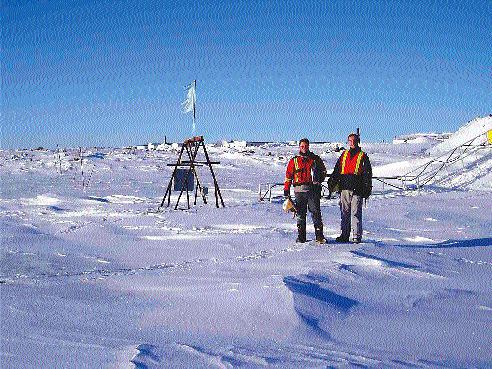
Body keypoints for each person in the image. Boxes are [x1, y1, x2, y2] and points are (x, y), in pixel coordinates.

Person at [328, 133, 372, 243]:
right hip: (344, 188)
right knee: (344, 213)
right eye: (350, 141)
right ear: (348, 142)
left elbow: (367, 174)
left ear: (358, 141)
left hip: (357, 189)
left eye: (354, 140)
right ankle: (344, 235)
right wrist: (332, 181)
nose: (352, 142)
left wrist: (367, 189)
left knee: (355, 213)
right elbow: (337, 170)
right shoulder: (344, 155)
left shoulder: (363, 156)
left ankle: (356, 236)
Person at [284, 138, 327, 243]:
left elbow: (324, 172)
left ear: (309, 146)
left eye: (306, 146)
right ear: (299, 147)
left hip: (312, 191)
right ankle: (301, 237)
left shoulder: (315, 159)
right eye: (302, 146)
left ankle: (319, 237)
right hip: (299, 192)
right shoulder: (294, 161)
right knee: (300, 214)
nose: (304, 148)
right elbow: (288, 176)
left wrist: (319, 179)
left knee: (316, 213)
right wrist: (286, 189)